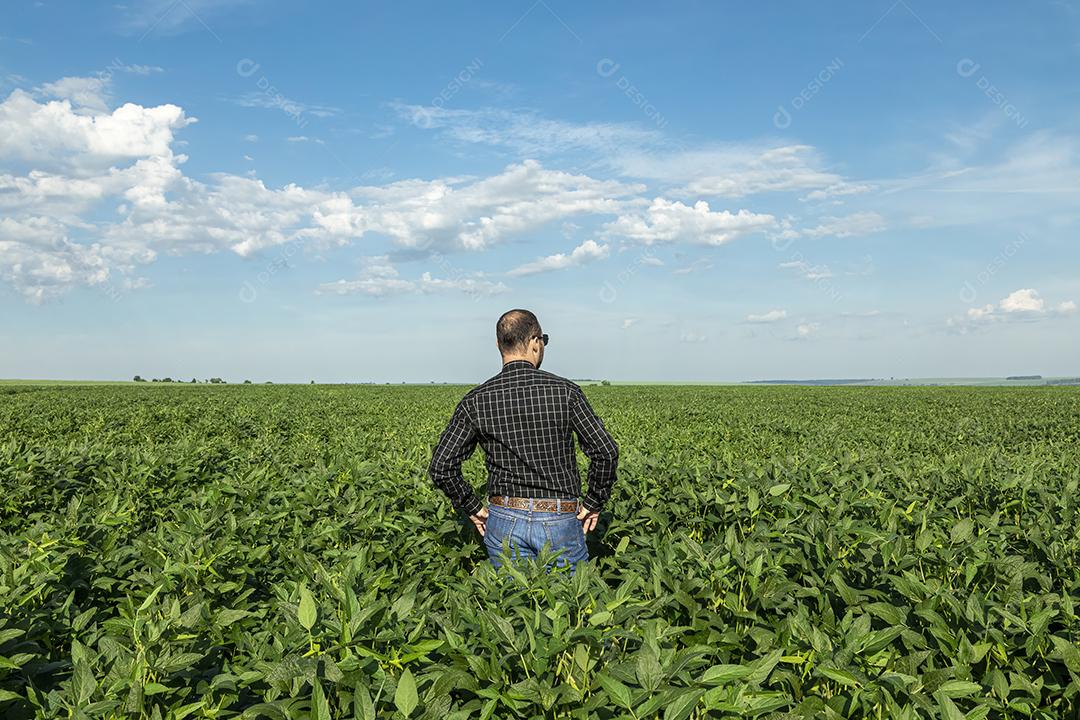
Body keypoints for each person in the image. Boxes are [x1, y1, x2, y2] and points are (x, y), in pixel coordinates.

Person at [428, 309, 619, 573]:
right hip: (559, 517)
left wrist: (472, 507)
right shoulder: (566, 392)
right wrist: (593, 503)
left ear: (499, 345)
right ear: (535, 342)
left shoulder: (476, 401)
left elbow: (441, 466)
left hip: (504, 518)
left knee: (512, 607)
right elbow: (605, 451)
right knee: (568, 606)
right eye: (543, 341)